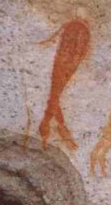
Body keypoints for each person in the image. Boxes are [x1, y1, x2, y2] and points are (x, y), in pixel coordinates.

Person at [38, 15, 92, 151]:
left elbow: (59, 41)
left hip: (64, 62)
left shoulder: (73, 26)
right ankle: (56, 127)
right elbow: (81, 51)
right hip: (67, 63)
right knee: (54, 96)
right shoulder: (81, 30)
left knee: (54, 96)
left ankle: (53, 126)